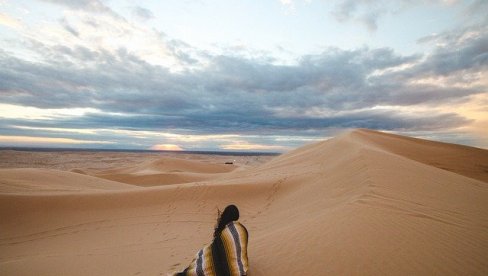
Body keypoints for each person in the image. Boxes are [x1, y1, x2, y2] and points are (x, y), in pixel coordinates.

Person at [172, 205, 249, 276]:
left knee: (202, 266)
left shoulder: (224, 230)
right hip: (234, 270)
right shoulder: (241, 229)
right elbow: (240, 251)